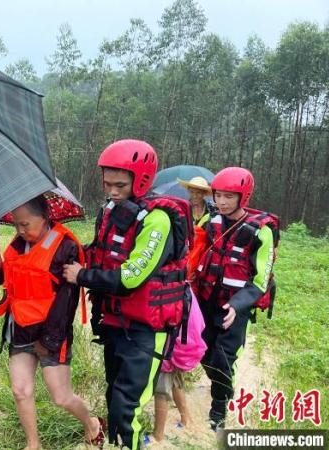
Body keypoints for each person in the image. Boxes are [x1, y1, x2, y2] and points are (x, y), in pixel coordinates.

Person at [63, 139, 191, 449]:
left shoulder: (157, 220)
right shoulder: (110, 210)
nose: (113, 191)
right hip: (115, 323)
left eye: (120, 185)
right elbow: (102, 252)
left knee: (125, 407)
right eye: (108, 184)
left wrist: (82, 276)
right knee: (113, 394)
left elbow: (131, 277)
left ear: (142, 180)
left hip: (147, 329)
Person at [0, 195, 104, 450]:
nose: (20, 230)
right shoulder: (17, 244)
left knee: (61, 397)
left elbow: (67, 301)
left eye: (26, 224)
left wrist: (48, 341)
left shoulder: (65, 248)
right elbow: (16, 280)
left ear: (45, 217)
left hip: (51, 334)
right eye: (17, 224)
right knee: (20, 390)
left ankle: (92, 423)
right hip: (19, 329)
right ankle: (33, 445)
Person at [191, 167, 278, 431]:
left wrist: (238, 305)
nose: (222, 201)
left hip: (235, 306)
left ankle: (218, 408)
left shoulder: (261, 231)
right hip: (207, 299)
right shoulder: (210, 222)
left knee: (223, 357)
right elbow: (193, 253)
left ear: (243, 197)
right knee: (203, 352)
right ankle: (224, 388)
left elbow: (261, 279)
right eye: (218, 195)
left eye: (229, 196)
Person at [150, 289, 207, 444]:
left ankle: (158, 435)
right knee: (176, 382)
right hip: (180, 348)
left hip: (167, 347)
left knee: (161, 390)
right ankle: (185, 419)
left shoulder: (166, 285)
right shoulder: (184, 287)